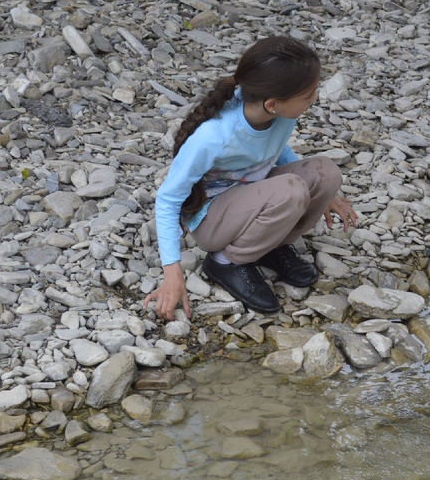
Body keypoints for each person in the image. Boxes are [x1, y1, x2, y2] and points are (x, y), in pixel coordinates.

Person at [143, 36, 357, 320]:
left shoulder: (280, 113)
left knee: (327, 172)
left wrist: (323, 192)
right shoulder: (214, 136)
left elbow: (272, 148)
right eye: (308, 95)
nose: (314, 98)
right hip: (213, 217)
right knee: (291, 190)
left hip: (252, 197)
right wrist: (172, 273)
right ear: (273, 104)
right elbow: (168, 199)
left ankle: (271, 245)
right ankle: (225, 262)